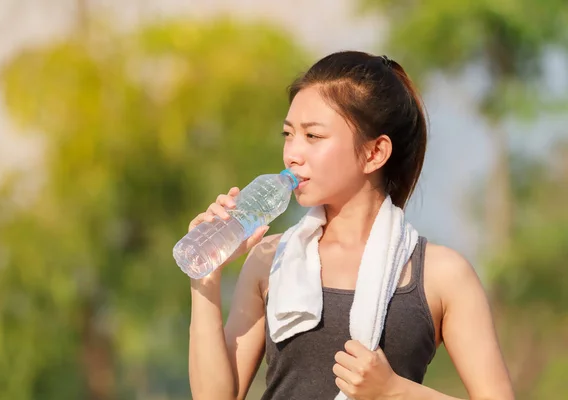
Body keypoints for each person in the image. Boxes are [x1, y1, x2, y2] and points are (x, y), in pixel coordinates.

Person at [187, 51, 515, 400]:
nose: (292, 153)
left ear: (375, 153)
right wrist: (205, 277)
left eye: (313, 136)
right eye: (288, 134)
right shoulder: (270, 258)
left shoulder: (442, 274)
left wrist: (394, 392)